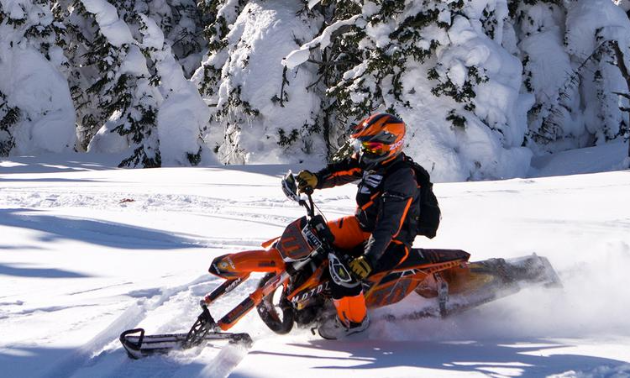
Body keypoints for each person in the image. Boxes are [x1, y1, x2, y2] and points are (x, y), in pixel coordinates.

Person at [296, 113, 421, 340]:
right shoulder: (373, 162)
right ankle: (304, 297)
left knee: (346, 273)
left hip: (392, 241)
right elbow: (345, 168)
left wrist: (369, 258)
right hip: (362, 226)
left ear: (392, 145)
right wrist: (317, 179)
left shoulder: (401, 177)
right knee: (314, 239)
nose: (366, 151)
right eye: (364, 145)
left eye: (373, 146)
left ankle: (354, 322)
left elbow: (388, 224)